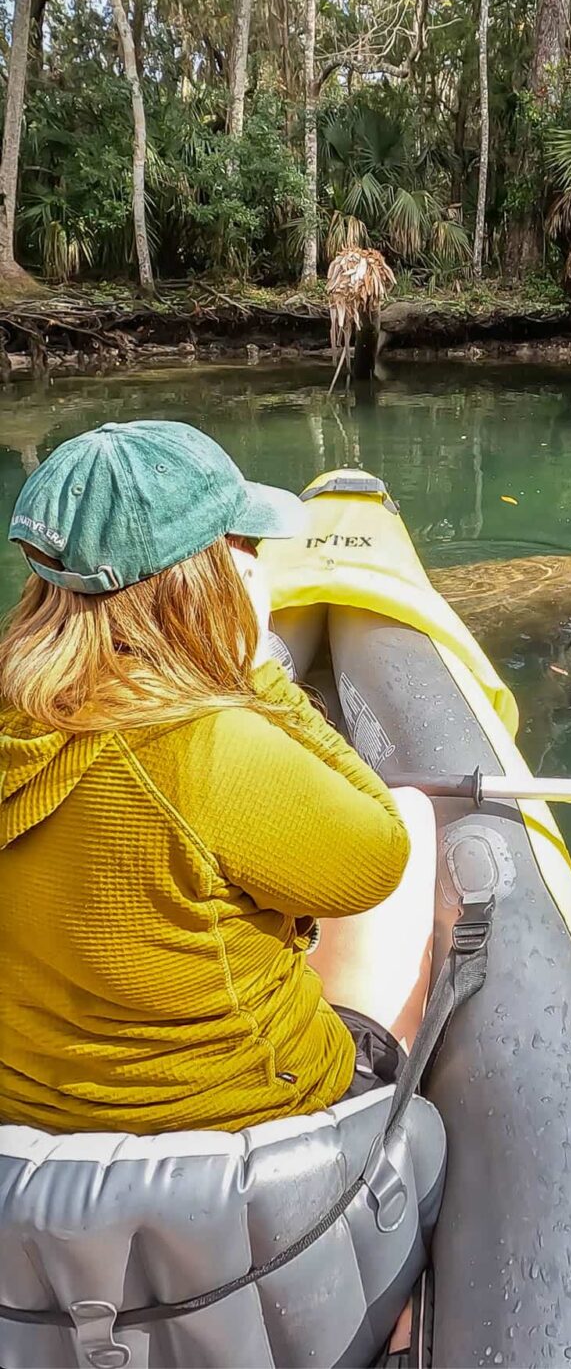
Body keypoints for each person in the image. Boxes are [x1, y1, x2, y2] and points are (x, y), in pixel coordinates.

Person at [0, 419, 435, 1136]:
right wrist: (254, 666)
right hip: (247, 1118)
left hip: (32, 1125)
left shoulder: (18, 718)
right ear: (210, 577)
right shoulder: (210, 747)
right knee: (411, 815)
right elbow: (377, 860)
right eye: (249, 545)